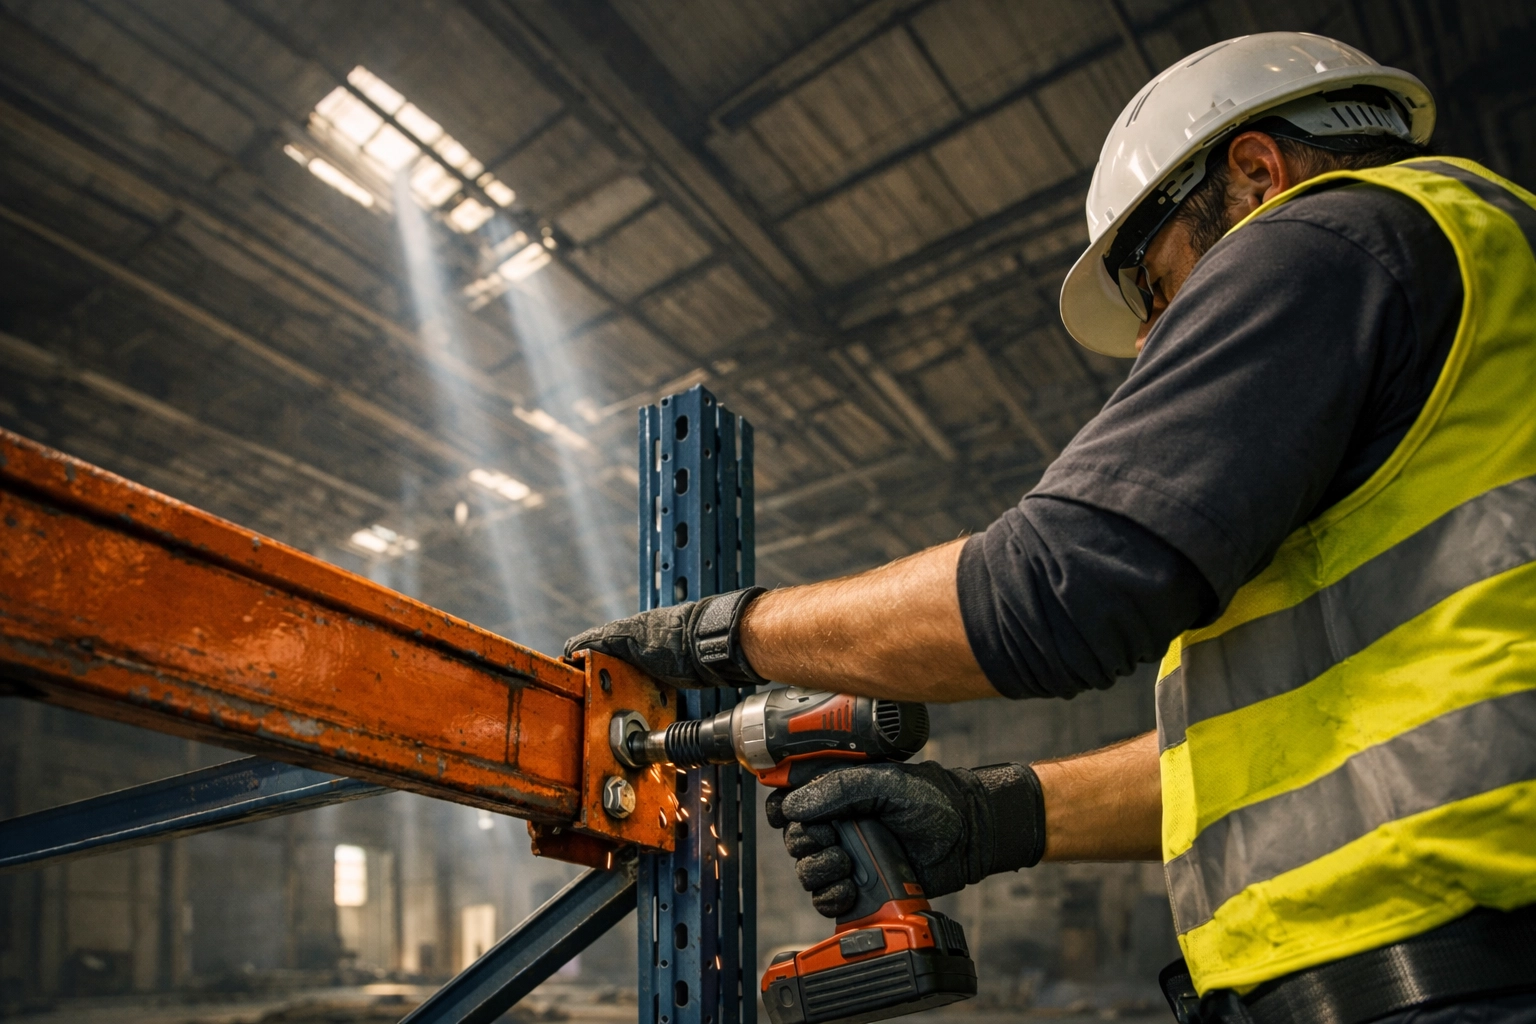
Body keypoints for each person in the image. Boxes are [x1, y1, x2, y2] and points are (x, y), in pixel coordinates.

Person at [567, 32, 1536, 1024]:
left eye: (1152, 282)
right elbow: (1291, 762)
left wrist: (728, 636)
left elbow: (1056, 585)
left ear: (1252, 174)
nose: (1156, 336)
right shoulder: (1476, 284)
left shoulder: (1334, 234)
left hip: (1456, 971)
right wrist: (994, 812)